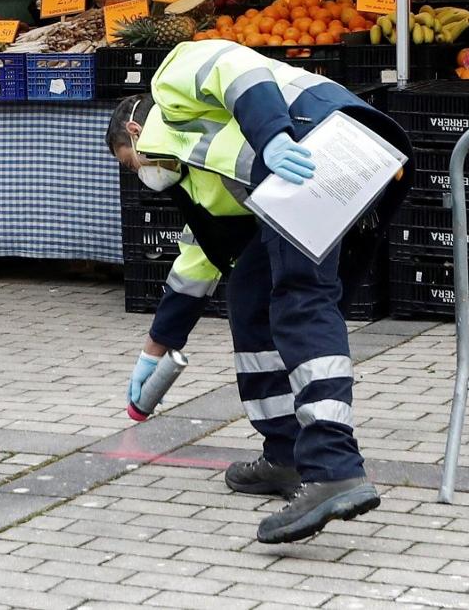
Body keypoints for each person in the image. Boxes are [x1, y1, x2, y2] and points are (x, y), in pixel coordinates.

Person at [108, 39, 412, 544]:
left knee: (301, 299)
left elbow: (237, 67)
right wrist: (154, 352)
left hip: (322, 141)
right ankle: (285, 457)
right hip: (321, 156)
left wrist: (272, 135)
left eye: (131, 163)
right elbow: (198, 262)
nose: (142, 176)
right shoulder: (201, 175)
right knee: (250, 294)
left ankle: (333, 466)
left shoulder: (171, 76)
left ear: (135, 132)